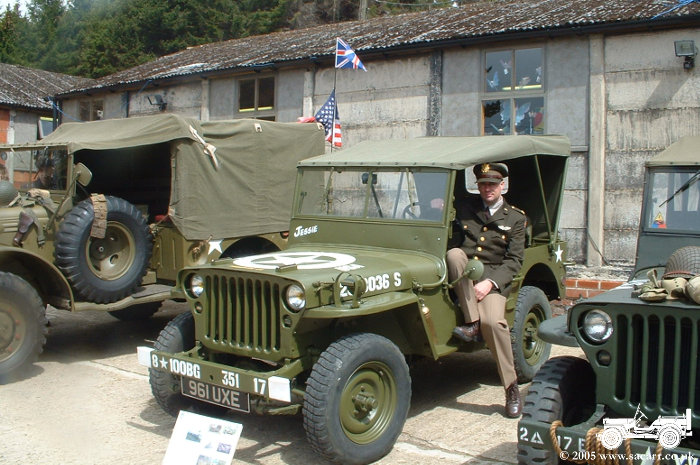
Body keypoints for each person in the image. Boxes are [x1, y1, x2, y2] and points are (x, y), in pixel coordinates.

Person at [446, 162, 526, 418]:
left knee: (493, 323)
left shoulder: (515, 218)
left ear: (502, 185)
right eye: (483, 184)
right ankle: (472, 322)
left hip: (493, 279)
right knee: (454, 254)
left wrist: (490, 283)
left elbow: (514, 261)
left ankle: (511, 388)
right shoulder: (465, 208)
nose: (487, 188)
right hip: (464, 275)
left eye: (492, 184)